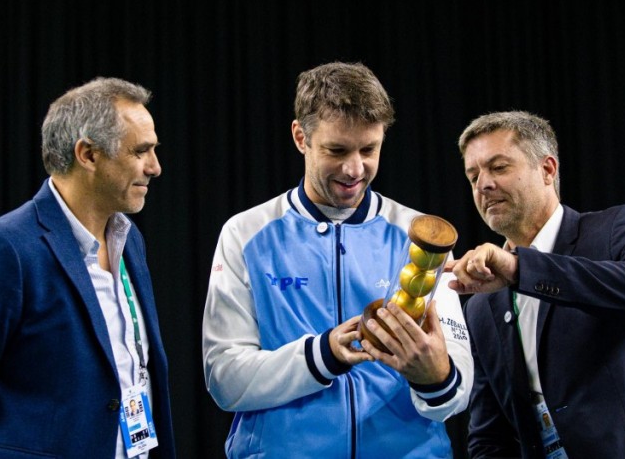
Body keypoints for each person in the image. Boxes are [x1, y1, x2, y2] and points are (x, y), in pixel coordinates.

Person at [202, 61, 473, 458]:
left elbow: (459, 389)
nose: (354, 169)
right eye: (337, 150)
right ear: (300, 137)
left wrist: (436, 378)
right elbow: (224, 378)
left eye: (369, 149)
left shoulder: (423, 236)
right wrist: (322, 355)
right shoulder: (244, 234)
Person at [0, 77, 176, 458]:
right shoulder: (4, 249)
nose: (155, 167)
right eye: (141, 151)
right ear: (88, 154)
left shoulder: (129, 239)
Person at [447, 111, 625, 458]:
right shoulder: (480, 306)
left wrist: (523, 270)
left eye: (499, 167)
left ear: (547, 170)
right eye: (473, 176)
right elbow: (490, 438)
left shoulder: (618, 228)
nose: (483, 185)